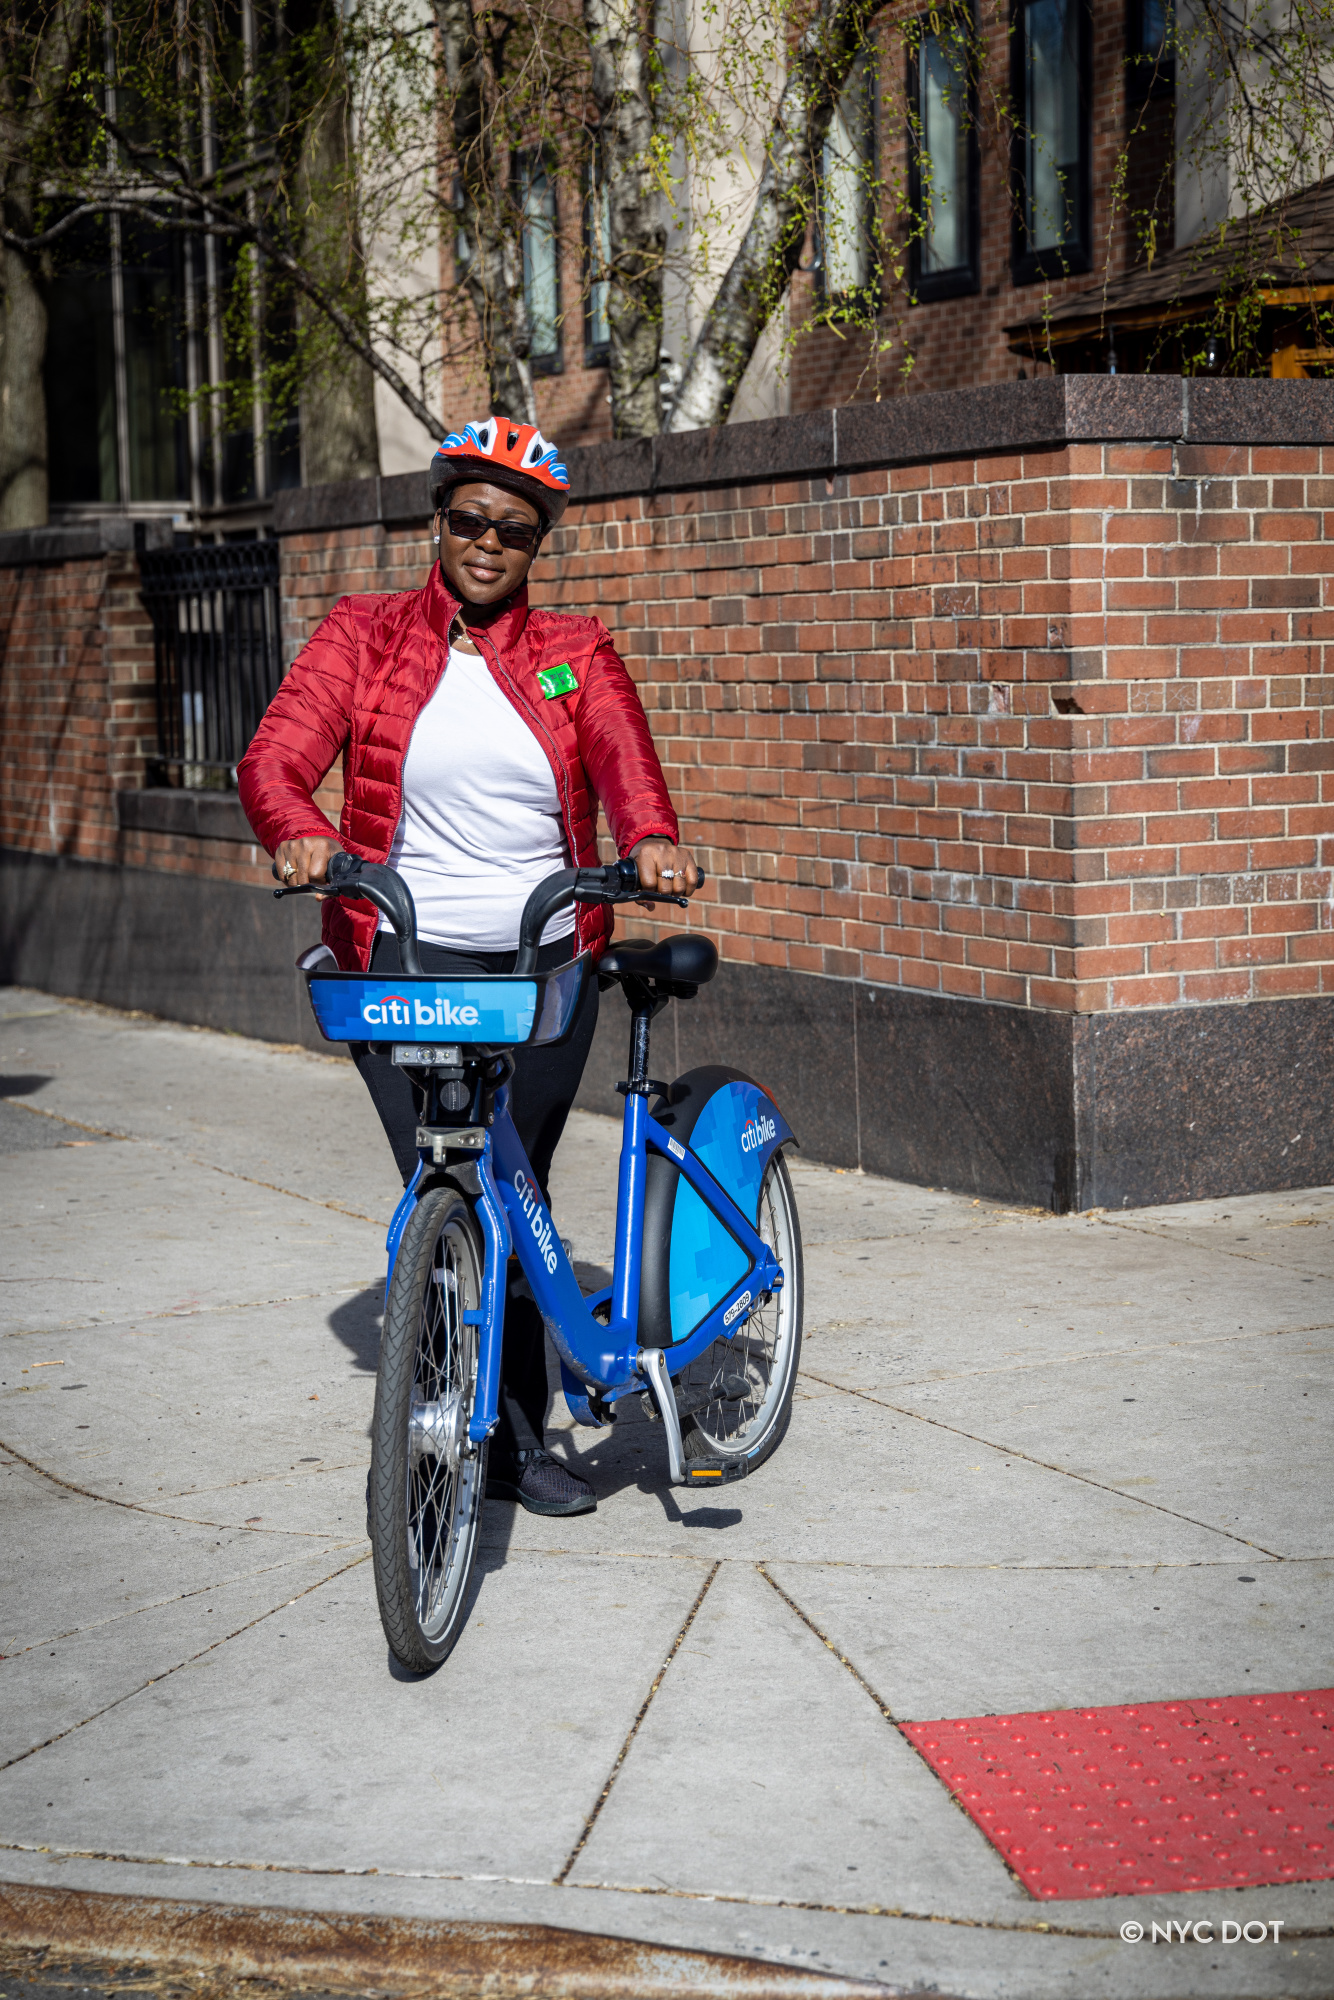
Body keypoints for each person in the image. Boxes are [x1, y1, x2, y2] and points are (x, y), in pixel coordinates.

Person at [238, 417, 698, 1517]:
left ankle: (512, 1439)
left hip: (543, 954)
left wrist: (649, 842)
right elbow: (275, 758)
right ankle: (446, 1406)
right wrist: (296, 828)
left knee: (518, 1185)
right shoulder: (363, 634)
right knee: (444, 1184)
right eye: (468, 519)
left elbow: (626, 769)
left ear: (538, 546)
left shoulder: (573, 651)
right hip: (398, 951)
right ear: (436, 520)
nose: (488, 542)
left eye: (515, 530)